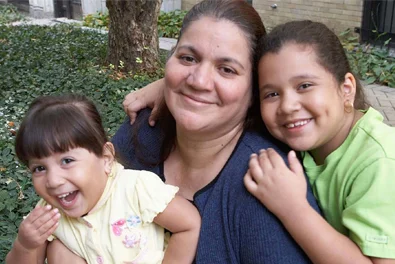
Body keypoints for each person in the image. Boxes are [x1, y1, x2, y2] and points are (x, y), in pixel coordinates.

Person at [112, 0, 322, 263]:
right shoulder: (141, 130)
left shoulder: (265, 182)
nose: (199, 81)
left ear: (254, 91)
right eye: (188, 58)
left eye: (227, 69)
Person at [243, 20, 395, 264]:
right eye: (271, 94)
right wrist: (166, 89)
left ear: (346, 88)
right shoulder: (309, 138)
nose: (287, 106)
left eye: (304, 86)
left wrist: (293, 209)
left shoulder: (380, 162)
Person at [6, 94, 200, 264]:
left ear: (106, 158)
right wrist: (25, 246)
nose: (53, 180)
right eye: (39, 168)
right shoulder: (48, 215)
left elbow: (188, 224)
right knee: (59, 249)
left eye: (67, 160)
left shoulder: (135, 188)